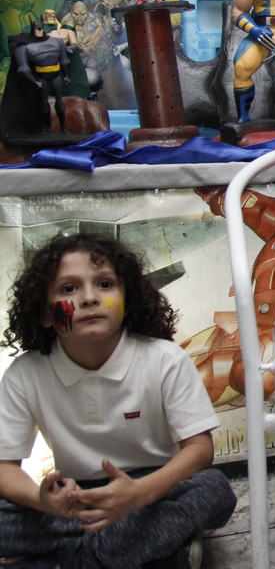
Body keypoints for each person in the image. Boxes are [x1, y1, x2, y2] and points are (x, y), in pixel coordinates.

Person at [0, 233, 236, 568]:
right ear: (44, 313)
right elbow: (4, 468)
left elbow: (199, 450)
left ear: (128, 299)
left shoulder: (164, 359)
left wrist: (139, 494)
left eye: (105, 284)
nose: (89, 298)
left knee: (212, 489)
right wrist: (43, 502)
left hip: (154, 490)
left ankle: (69, 557)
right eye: (68, 288)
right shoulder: (24, 373)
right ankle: (144, 551)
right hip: (75, 500)